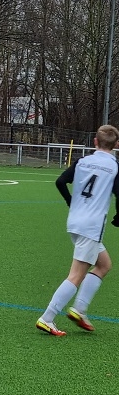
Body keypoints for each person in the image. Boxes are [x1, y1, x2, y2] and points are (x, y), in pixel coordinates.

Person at [36, 125, 119, 336]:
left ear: (95, 141)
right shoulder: (114, 166)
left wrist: (70, 201)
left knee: (104, 265)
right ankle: (47, 318)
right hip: (91, 227)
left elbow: (60, 181)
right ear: (116, 144)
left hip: (75, 221)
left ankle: (79, 309)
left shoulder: (82, 161)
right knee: (76, 275)